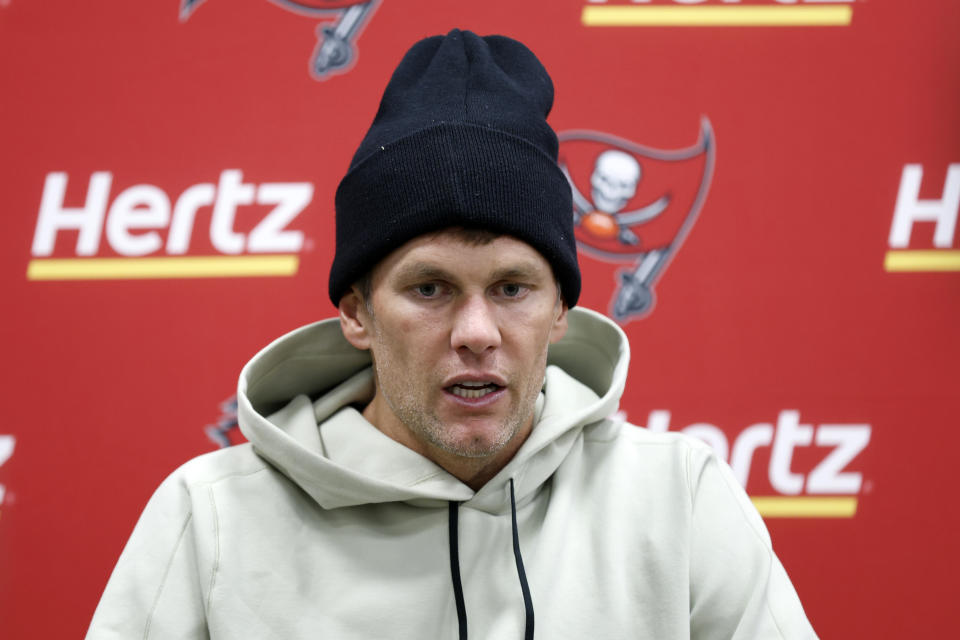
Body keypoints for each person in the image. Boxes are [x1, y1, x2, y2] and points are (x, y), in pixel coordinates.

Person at [86, 29, 817, 639]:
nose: (476, 332)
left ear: (561, 308)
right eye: (429, 288)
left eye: (511, 288)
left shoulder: (676, 498)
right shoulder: (211, 514)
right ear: (356, 312)